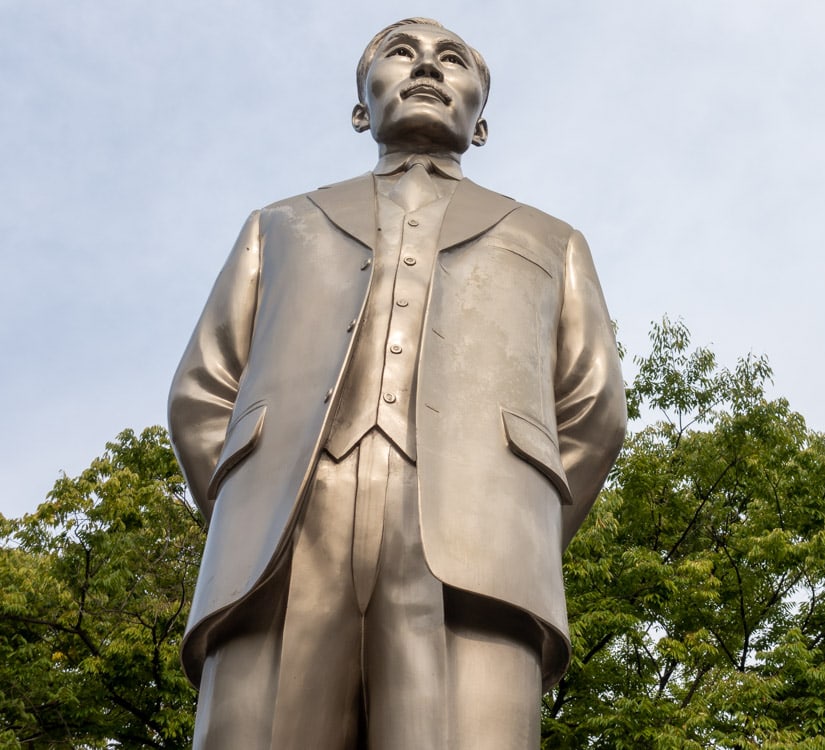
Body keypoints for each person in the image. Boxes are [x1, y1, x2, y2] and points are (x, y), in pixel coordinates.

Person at [167, 17, 626, 748]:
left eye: (452, 61)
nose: (426, 68)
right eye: (400, 54)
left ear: (482, 125)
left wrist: (512, 526)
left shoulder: (550, 240)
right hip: (285, 543)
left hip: (477, 549)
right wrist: (253, 515)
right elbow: (204, 388)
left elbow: (593, 408)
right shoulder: (281, 226)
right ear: (360, 109)